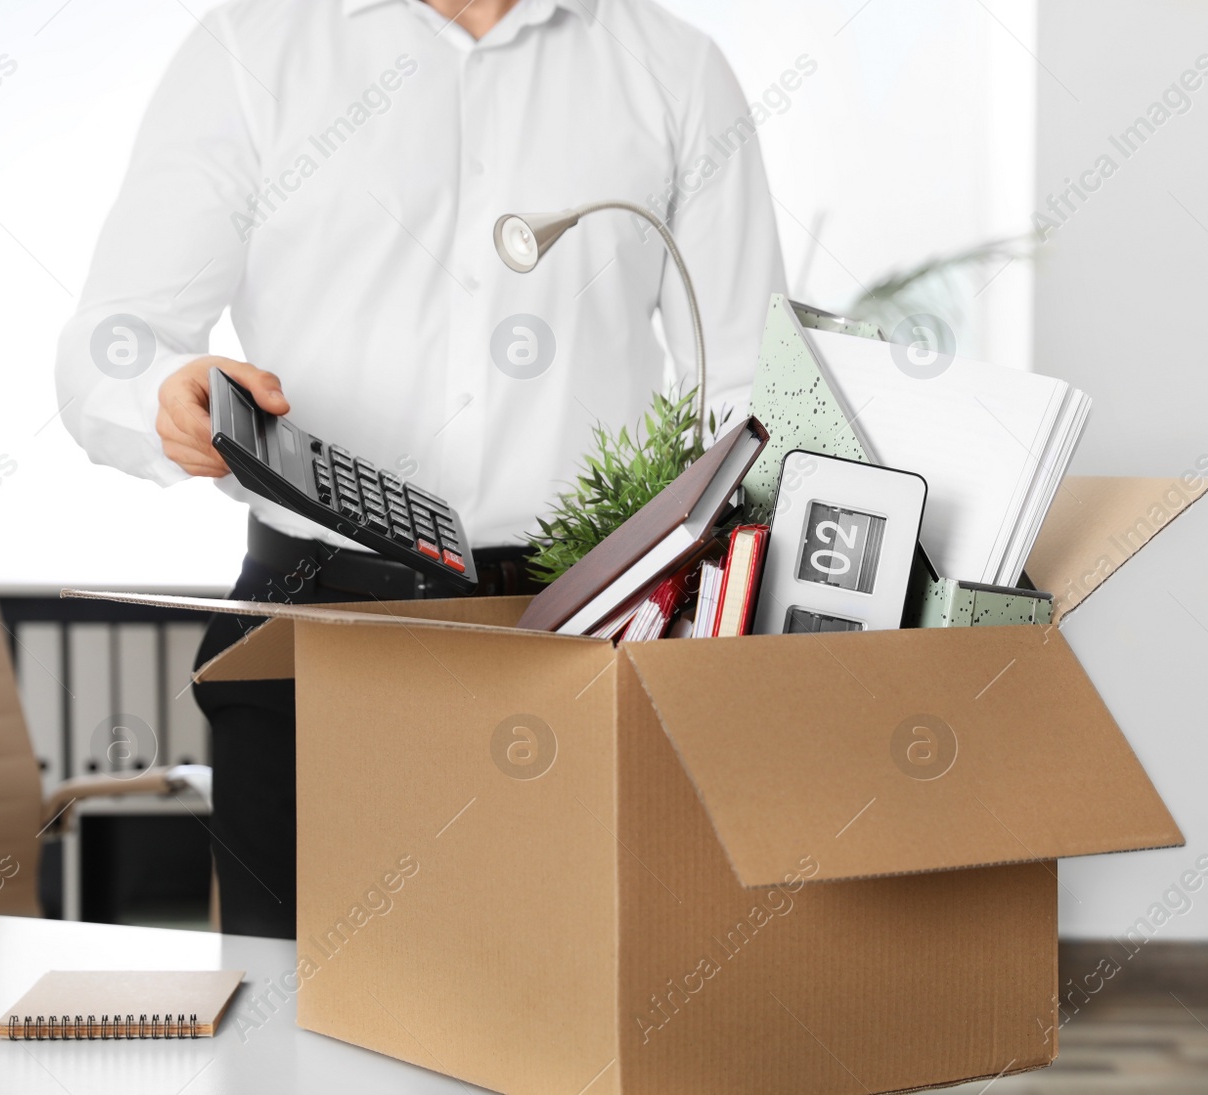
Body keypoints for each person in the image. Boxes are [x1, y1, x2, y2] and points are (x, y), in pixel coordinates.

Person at [54, 0, 785, 938]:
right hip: (315, 627)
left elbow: (748, 384)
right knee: (300, 1040)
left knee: (561, 1031)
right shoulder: (251, 49)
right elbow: (114, 338)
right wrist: (165, 391)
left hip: (584, 639)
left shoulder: (673, 69)